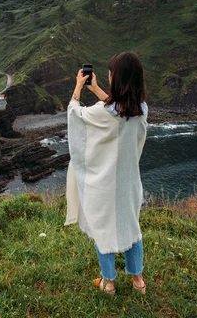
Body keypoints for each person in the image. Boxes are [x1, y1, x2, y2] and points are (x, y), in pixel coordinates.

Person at [65, 51, 148, 295]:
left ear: (117, 79)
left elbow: (74, 114)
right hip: (129, 183)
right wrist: (97, 89)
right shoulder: (141, 110)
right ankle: (138, 282)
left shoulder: (101, 113)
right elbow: (119, 110)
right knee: (131, 228)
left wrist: (78, 88)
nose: (109, 77)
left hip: (104, 184)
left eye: (111, 74)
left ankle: (108, 282)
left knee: (103, 228)